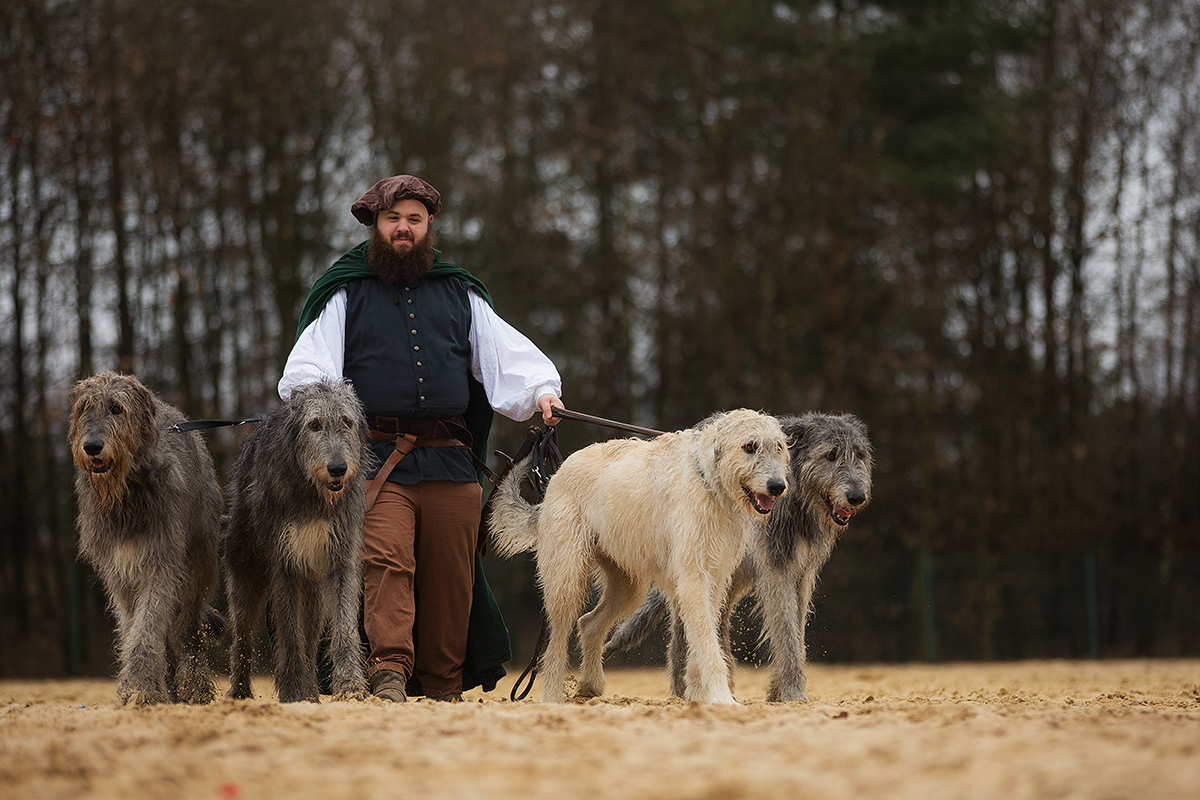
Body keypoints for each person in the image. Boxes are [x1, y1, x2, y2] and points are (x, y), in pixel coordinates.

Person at [280, 174, 563, 702]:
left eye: (414, 219)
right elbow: (309, 373)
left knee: (452, 580)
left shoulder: (459, 290)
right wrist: (312, 413)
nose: (404, 228)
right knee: (386, 563)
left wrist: (542, 391)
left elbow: (503, 354)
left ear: (429, 224)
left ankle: (441, 685)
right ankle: (388, 673)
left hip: (451, 463)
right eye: (393, 220)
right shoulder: (346, 291)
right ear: (375, 225)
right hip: (376, 462)